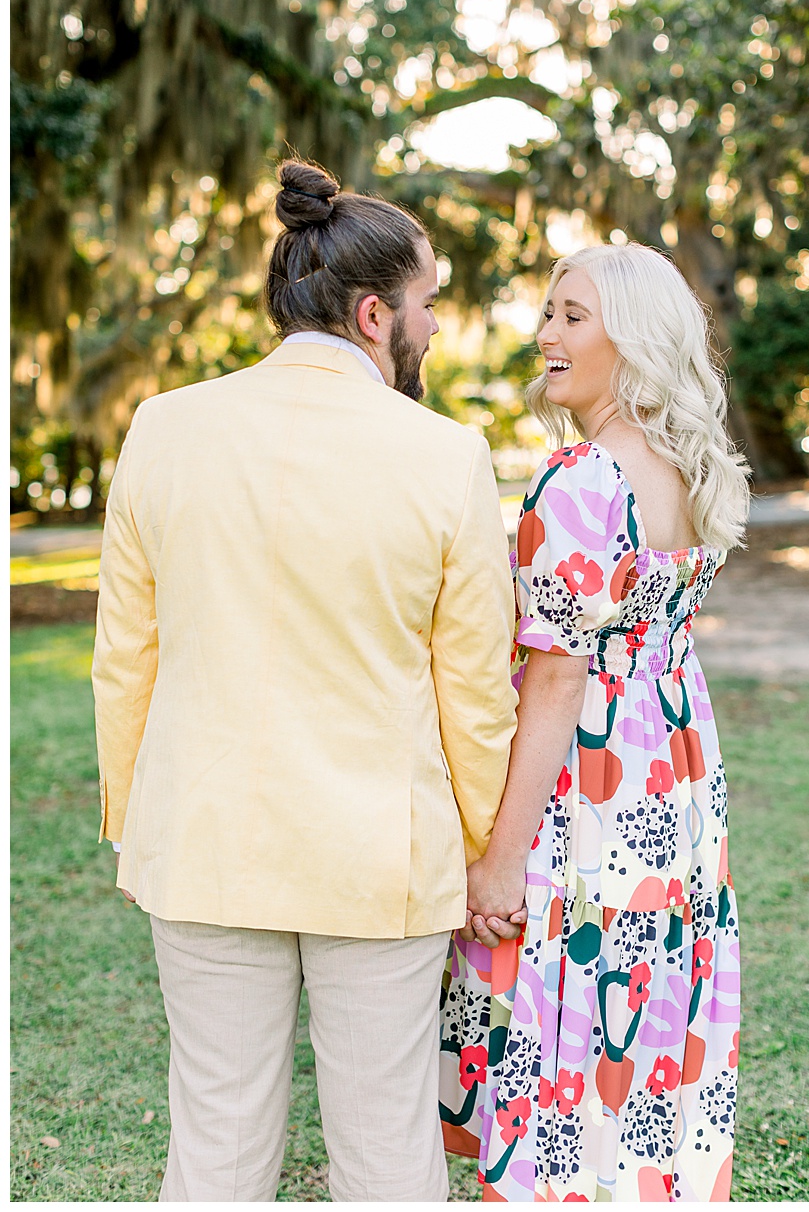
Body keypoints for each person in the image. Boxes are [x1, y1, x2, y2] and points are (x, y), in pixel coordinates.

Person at [92, 160, 519, 1199]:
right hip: (383, 855)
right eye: (428, 305)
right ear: (375, 313)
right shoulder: (447, 456)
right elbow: (474, 694)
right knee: (386, 1148)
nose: (433, 329)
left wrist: (132, 823)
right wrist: (474, 848)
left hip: (203, 839)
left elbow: (125, 657)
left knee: (217, 1138)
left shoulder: (164, 428)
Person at [439, 242, 750, 1201]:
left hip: (597, 788)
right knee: (643, 1008)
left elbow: (557, 684)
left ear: (633, 336)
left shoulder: (580, 482)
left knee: (570, 1015)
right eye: (548, 313)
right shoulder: (685, 470)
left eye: (573, 316)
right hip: (677, 777)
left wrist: (498, 858)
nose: (546, 336)